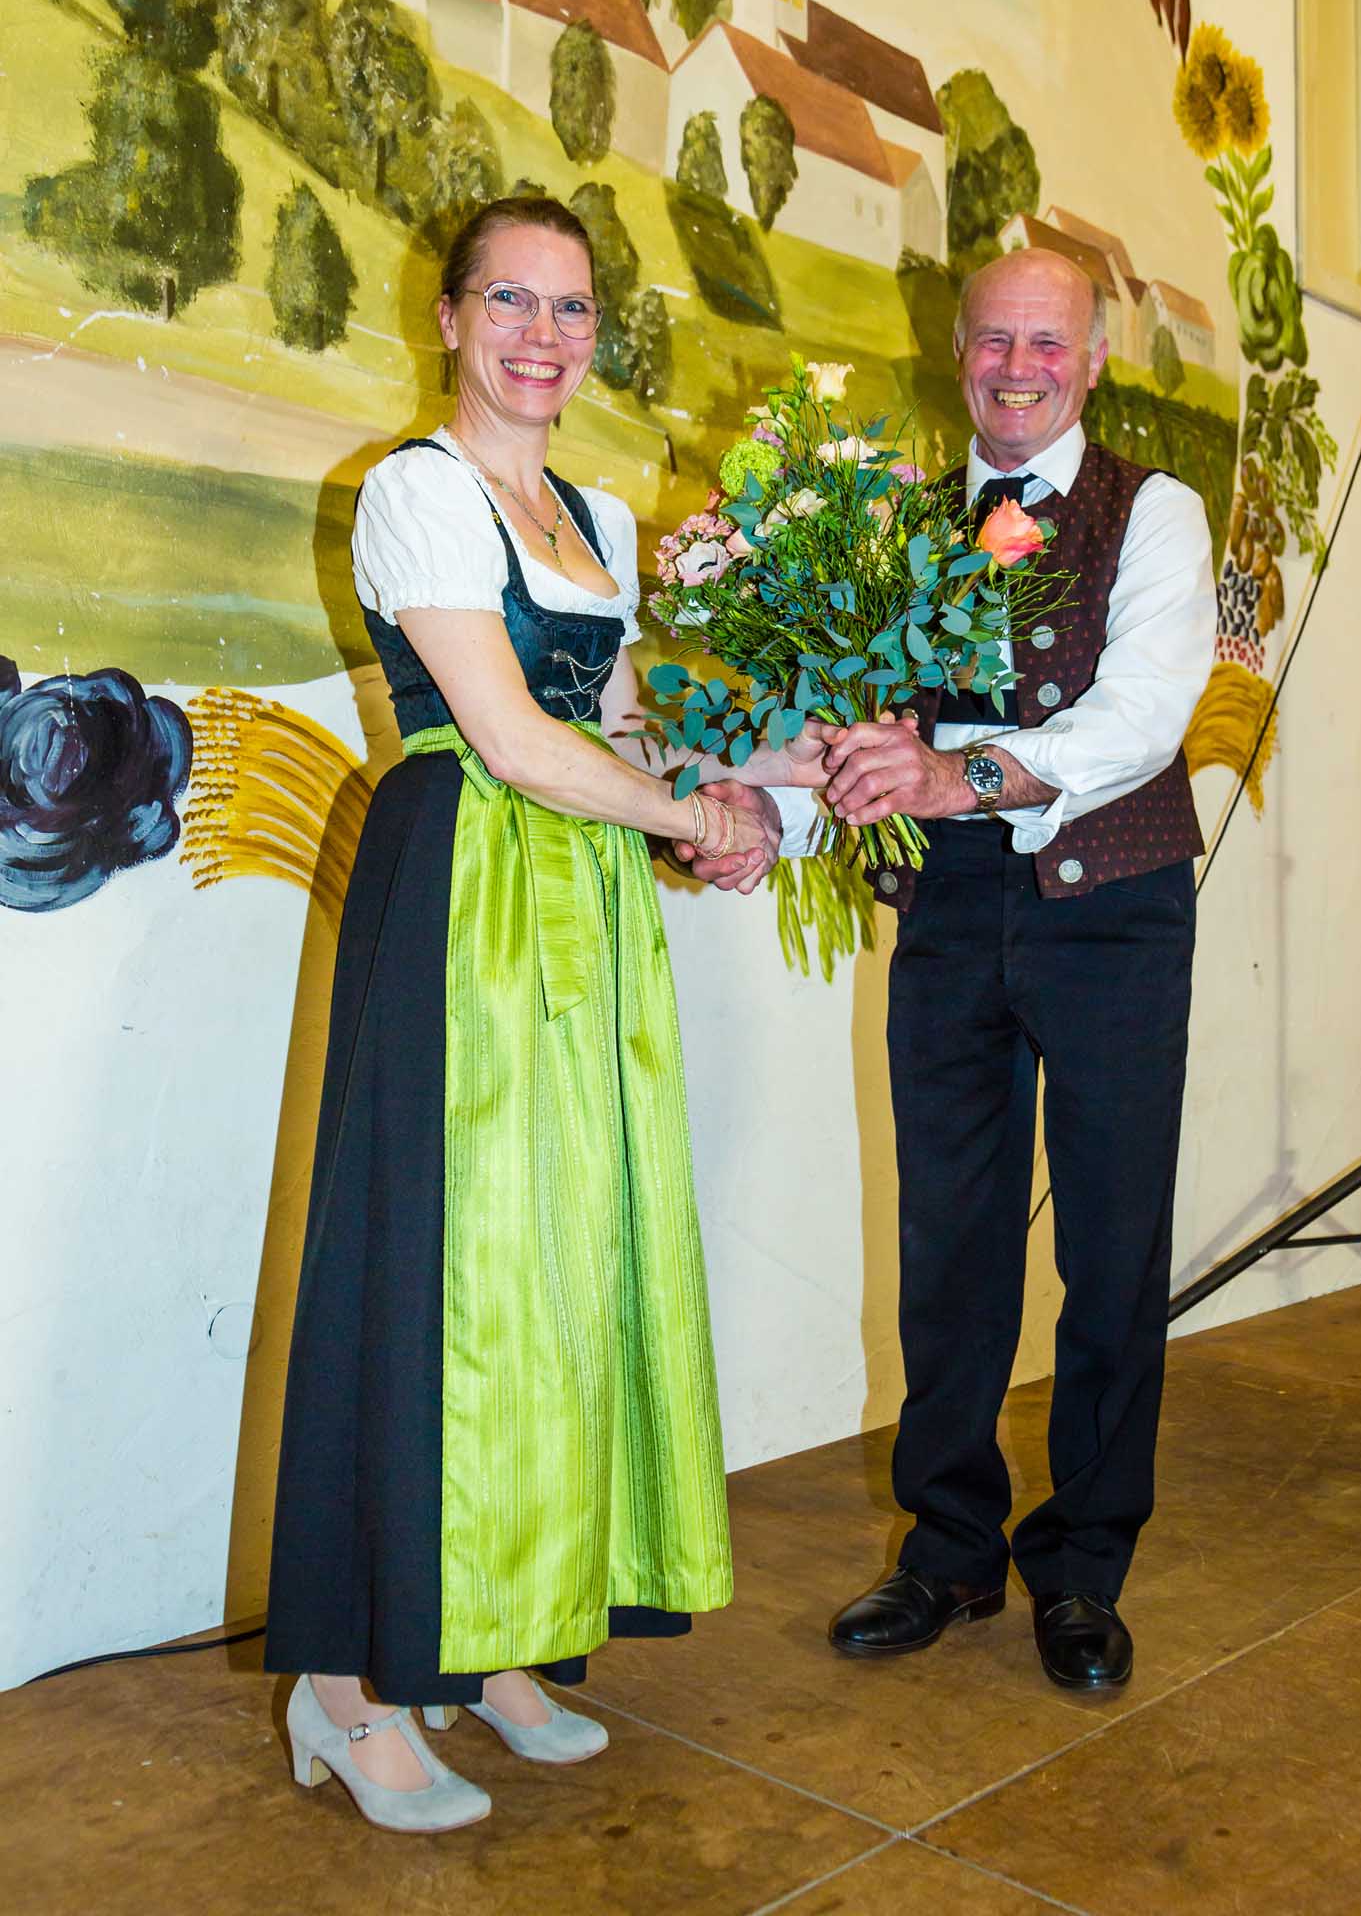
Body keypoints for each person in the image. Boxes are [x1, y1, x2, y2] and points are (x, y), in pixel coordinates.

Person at [263, 196, 815, 1831]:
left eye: (570, 309)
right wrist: (680, 815)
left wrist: (756, 779)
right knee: (440, 1267)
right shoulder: (415, 493)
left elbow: (618, 721)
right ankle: (347, 1686)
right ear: (448, 317)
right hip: (466, 896)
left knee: (566, 1262)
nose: (542, 336)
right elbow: (507, 736)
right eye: (509, 300)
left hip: (579, 898)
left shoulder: (594, 514)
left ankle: (503, 1632)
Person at [703, 247, 1216, 1692]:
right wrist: (763, 819)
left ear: (1093, 359)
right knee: (952, 1243)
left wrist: (960, 775)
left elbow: (1141, 717)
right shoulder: (898, 525)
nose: (1018, 367)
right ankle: (947, 1550)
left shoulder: (1153, 512)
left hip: (1113, 910)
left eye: (1047, 343)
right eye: (995, 340)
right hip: (946, 912)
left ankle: (1084, 1566)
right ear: (957, 351)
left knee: (1110, 1244)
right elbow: (859, 737)